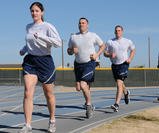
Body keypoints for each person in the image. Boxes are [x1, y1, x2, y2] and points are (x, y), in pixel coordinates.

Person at [19, 2, 62, 133]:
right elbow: (30, 42)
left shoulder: (47, 26)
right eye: (32, 11)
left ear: (42, 12)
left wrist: (42, 37)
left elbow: (58, 43)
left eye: (37, 11)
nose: (34, 13)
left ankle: (52, 120)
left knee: (48, 94)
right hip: (30, 61)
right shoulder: (28, 27)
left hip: (45, 62)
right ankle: (27, 124)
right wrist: (24, 49)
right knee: (27, 92)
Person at [67, 17, 105, 118]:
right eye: (79, 23)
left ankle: (88, 105)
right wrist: (71, 51)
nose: (81, 24)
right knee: (79, 88)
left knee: (83, 85)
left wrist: (97, 54)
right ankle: (89, 103)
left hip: (90, 63)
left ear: (87, 25)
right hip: (78, 64)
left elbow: (103, 46)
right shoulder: (73, 36)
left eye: (83, 23)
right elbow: (68, 51)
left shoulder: (93, 35)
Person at [104, 25, 135, 112]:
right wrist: (109, 55)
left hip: (124, 64)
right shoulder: (110, 42)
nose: (118, 32)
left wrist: (130, 59)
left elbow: (133, 50)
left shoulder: (127, 41)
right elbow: (105, 53)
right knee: (120, 83)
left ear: (122, 31)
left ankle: (116, 104)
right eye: (116, 31)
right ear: (114, 32)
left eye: (119, 30)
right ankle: (126, 93)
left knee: (119, 83)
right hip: (114, 65)